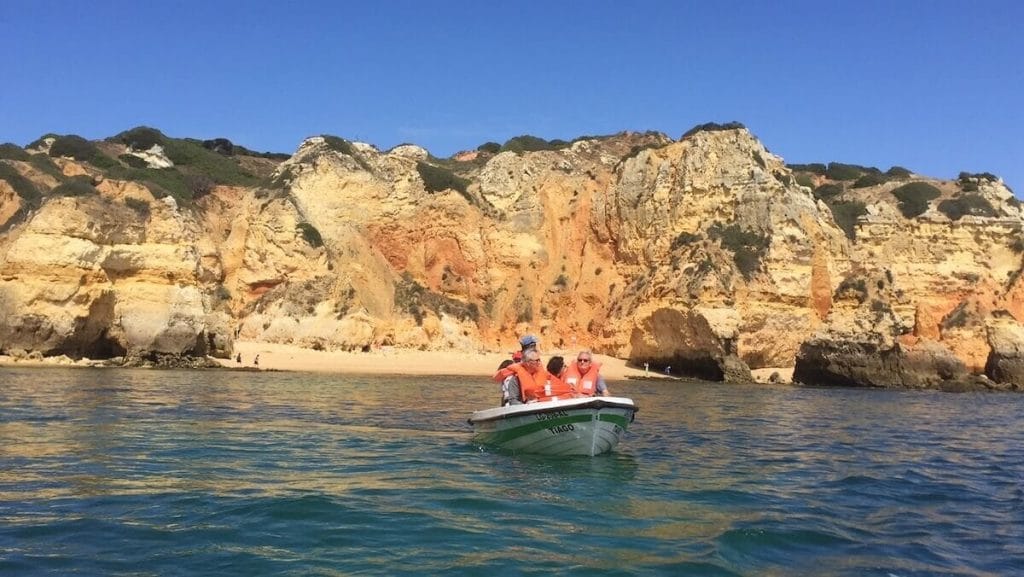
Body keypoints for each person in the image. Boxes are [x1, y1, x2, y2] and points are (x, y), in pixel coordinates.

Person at [501, 349, 572, 405]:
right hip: (526, 409)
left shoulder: (544, 376)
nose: (539, 363)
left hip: (543, 406)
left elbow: (556, 389)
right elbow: (513, 400)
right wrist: (525, 407)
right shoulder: (515, 380)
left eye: (539, 360)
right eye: (536, 361)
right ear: (528, 363)